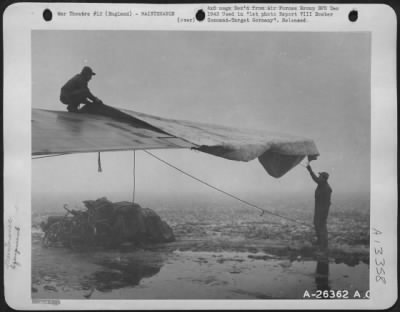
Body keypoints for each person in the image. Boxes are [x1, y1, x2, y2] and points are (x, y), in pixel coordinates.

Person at [306, 164, 332, 250]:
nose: (319, 177)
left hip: (322, 210)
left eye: (320, 176)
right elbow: (316, 179)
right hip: (320, 209)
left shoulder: (324, 186)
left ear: (324, 178)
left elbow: (315, 179)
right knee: (318, 225)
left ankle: (323, 244)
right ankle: (320, 242)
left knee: (321, 226)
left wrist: (310, 171)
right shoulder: (323, 185)